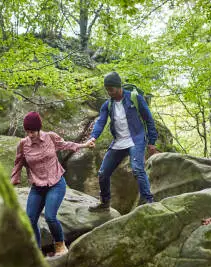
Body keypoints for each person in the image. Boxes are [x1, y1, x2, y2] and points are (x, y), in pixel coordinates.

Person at [11, 111, 95, 256]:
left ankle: (60, 245)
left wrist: (85, 145)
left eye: (33, 131)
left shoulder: (50, 137)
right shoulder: (23, 144)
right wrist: (13, 181)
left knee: (50, 216)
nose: (30, 135)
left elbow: (65, 145)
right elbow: (18, 163)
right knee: (30, 219)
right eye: (28, 131)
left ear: (39, 128)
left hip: (56, 183)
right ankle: (36, 252)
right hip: (38, 187)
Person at [87, 71, 159, 212]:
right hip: (118, 142)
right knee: (103, 173)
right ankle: (105, 203)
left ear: (119, 87)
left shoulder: (135, 98)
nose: (109, 92)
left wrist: (152, 141)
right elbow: (101, 122)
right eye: (107, 89)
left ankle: (148, 201)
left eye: (111, 89)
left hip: (136, 139)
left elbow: (148, 119)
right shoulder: (107, 105)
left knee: (137, 168)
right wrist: (93, 137)